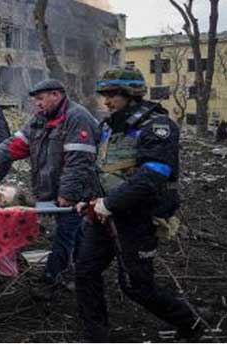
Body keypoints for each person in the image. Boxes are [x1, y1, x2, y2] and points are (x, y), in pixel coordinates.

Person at [75, 67, 202, 341]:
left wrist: (109, 203)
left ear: (131, 94)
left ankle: (191, 325)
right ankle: (95, 336)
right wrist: (88, 199)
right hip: (103, 217)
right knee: (85, 271)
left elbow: (153, 175)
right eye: (104, 95)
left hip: (137, 219)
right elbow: (100, 168)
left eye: (112, 95)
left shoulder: (157, 126)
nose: (106, 101)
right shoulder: (108, 126)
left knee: (136, 286)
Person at [0, 79, 101, 291]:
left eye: (41, 99)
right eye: (35, 100)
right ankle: (83, 272)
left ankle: (50, 280)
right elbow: (16, 144)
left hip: (77, 191)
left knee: (64, 236)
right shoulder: (39, 120)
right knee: (75, 233)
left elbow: (79, 161)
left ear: (56, 95)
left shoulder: (77, 118)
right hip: (54, 189)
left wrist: (67, 194)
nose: (37, 104)